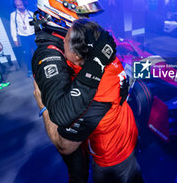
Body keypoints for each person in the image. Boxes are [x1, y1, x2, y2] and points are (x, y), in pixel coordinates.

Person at [34, 19, 143, 183]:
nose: (61, 40)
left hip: (112, 160)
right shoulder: (106, 58)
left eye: (65, 40)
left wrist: (43, 105)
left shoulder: (94, 97)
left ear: (77, 55)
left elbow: (65, 145)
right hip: (125, 134)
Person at [31, 0, 117, 182]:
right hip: (71, 136)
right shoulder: (50, 54)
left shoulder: (66, 40)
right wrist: (43, 107)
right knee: (78, 174)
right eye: (82, 14)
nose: (86, 19)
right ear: (60, 9)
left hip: (85, 126)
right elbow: (64, 133)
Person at [10, 0, 36, 77]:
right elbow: (13, 27)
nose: (20, 6)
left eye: (21, 4)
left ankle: (38, 68)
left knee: (37, 53)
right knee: (27, 54)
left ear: (24, 4)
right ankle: (29, 70)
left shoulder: (31, 14)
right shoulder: (13, 15)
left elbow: (36, 26)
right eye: (17, 5)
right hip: (23, 37)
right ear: (15, 6)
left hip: (33, 36)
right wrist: (15, 39)